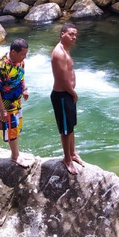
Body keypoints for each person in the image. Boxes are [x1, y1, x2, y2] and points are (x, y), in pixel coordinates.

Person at [0, 39, 32, 168]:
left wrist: (24, 89)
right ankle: (15, 156)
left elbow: (21, 76)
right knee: (11, 127)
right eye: (22, 54)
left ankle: (16, 153)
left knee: (17, 127)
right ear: (13, 52)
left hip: (15, 101)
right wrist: (2, 109)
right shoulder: (0, 65)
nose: (24, 57)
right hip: (3, 103)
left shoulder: (20, 62)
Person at [50, 23, 84, 174]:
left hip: (67, 94)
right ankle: (67, 159)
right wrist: (73, 93)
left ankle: (73, 153)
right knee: (65, 129)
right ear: (62, 33)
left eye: (75, 35)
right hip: (62, 95)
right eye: (71, 34)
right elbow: (63, 80)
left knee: (70, 127)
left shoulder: (65, 50)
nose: (74, 37)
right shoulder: (59, 53)